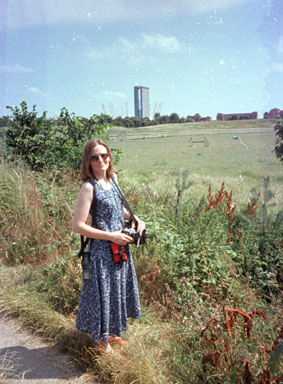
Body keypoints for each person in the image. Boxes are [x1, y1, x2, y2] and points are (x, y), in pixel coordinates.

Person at [72, 138, 145, 354]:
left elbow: (118, 209)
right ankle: (102, 341)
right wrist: (110, 236)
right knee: (102, 294)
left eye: (104, 155)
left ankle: (113, 335)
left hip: (120, 246)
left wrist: (136, 219)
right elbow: (78, 226)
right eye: (95, 157)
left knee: (117, 290)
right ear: (88, 161)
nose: (100, 160)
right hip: (103, 251)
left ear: (109, 156)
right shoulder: (88, 187)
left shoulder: (113, 180)